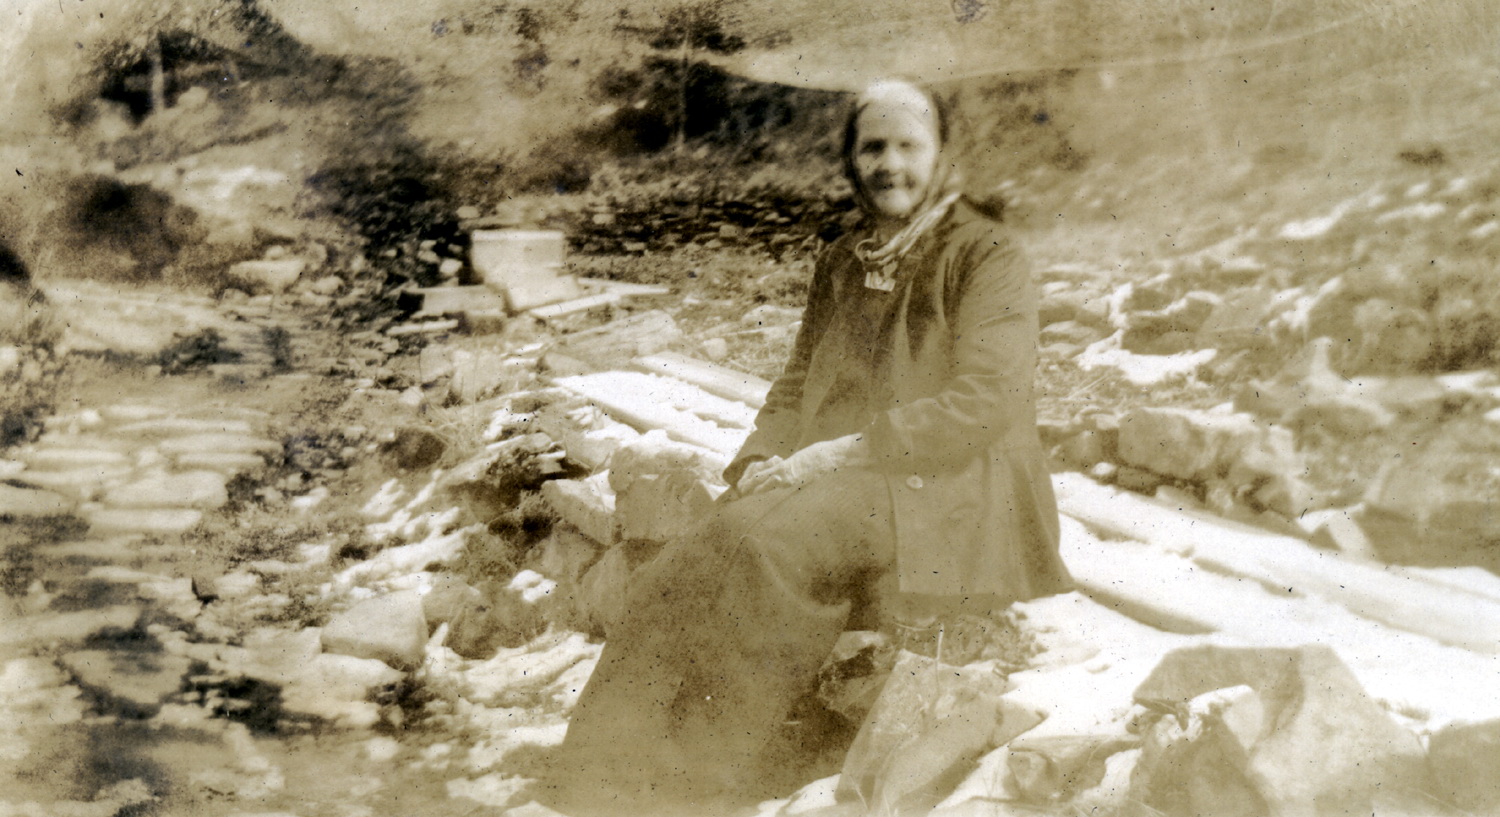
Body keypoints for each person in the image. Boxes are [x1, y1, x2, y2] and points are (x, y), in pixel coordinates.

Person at [541, 78, 1072, 817]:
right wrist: (762, 456)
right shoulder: (845, 255)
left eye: (909, 146)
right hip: (854, 475)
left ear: (942, 155)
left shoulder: (987, 253)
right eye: (872, 147)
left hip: (951, 486)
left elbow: (985, 403)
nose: (890, 165)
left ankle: (699, 788)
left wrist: (832, 454)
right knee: (703, 543)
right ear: (852, 159)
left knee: (769, 549)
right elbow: (798, 378)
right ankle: (601, 779)